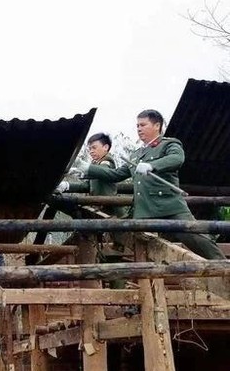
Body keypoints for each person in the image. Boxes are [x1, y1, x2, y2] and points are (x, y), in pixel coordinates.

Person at [74, 109, 225, 260]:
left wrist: (152, 165)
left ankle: (223, 266)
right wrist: (86, 168)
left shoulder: (169, 144)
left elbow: (177, 158)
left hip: (169, 206)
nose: (139, 129)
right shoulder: (136, 154)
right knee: (118, 228)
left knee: (195, 237)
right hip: (143, 210)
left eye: (143, 125)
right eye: (137, 125)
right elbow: (115, 175)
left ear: (156, 125)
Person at [57, 132, 128, 218]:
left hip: (109, 209)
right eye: (89, 149)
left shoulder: (107, 161)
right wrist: (67, 185)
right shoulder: (95, 164)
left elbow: (103, 172)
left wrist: (82, 167)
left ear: (105, 147)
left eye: (94, 148)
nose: (91, 151)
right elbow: (88, 186)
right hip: (98, 207)